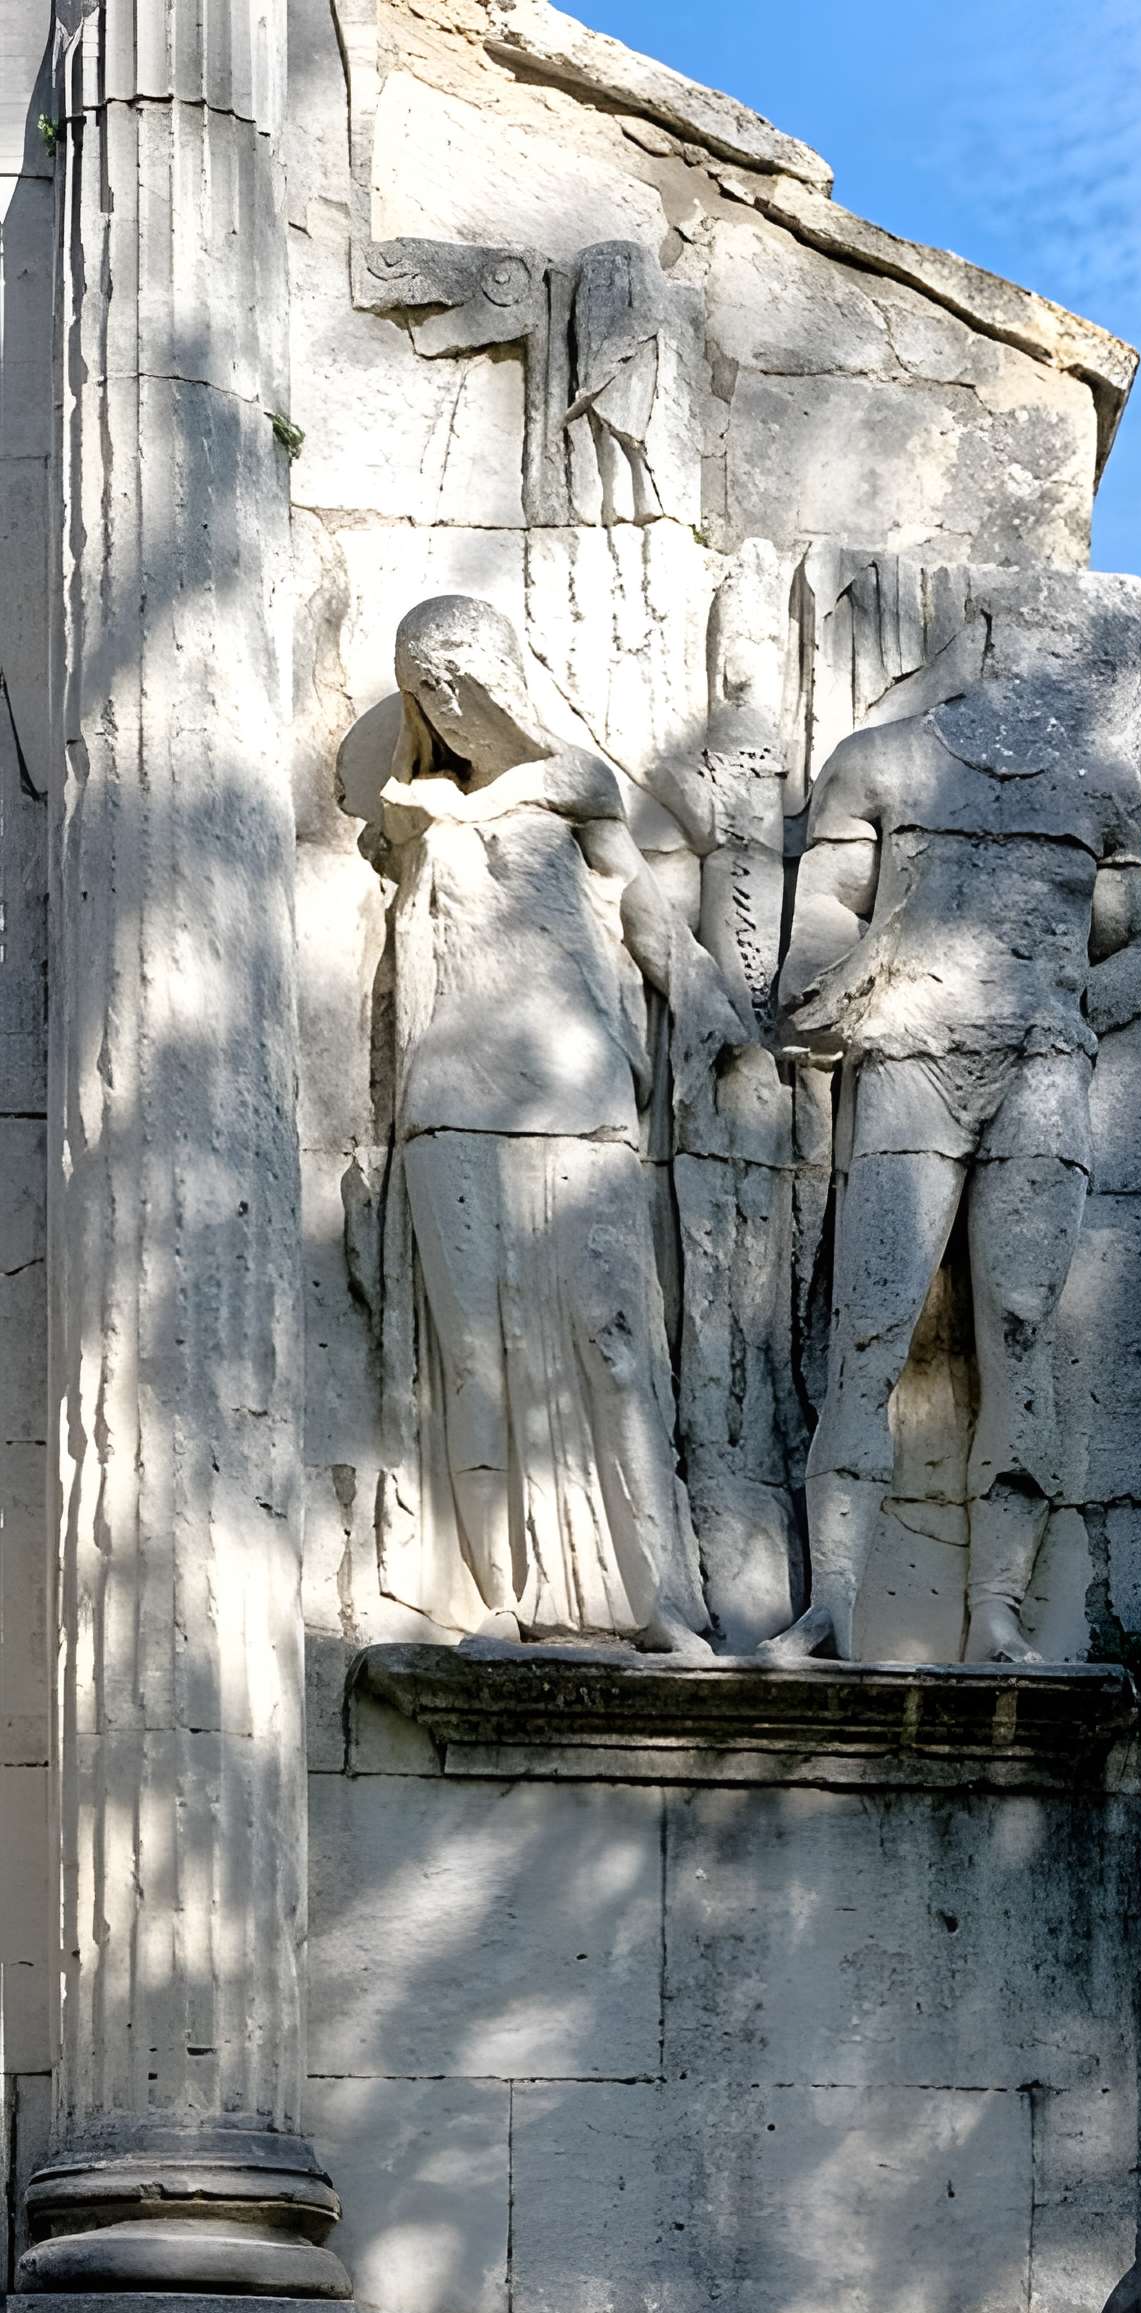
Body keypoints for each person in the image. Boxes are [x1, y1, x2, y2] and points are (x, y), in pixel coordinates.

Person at [766, 583, 1141, 1664]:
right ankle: (835, 1600)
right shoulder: (881, 758)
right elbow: (820, 926)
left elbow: (1135, 946)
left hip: (1040, 1068)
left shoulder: (1099, 787)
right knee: (872, 1325)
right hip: (908, 1054)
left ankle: (996, 1608)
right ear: (988, 640)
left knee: (1016, 1325)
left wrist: (1066, 1016)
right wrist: (832, 994)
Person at [372, 594, 752, 1652]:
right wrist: (433, 813)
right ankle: (499, 1595)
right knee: (477, 1359)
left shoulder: (571, 786)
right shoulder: (418, 809)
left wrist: (704, 997)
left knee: (616, 1341)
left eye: (458, 675)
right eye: (424, 686)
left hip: (574, 1087)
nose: (444, 702)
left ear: (501, 674)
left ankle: (658, 1597)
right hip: (452, 1095)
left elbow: (636, 904)